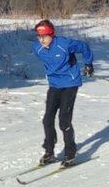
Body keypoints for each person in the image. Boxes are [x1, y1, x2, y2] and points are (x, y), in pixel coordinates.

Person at [32, 19, 94, 167]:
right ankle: (49, 152)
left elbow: (84, 47)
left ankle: (70, 153)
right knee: (47, 119)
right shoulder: (37, 48)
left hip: (70, 84)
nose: (41, 40)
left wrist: (88, 64)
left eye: (44, 37)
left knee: (64, 121)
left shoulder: (64, 44)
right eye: (39, 37)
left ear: (52, 35)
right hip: (54, 85)